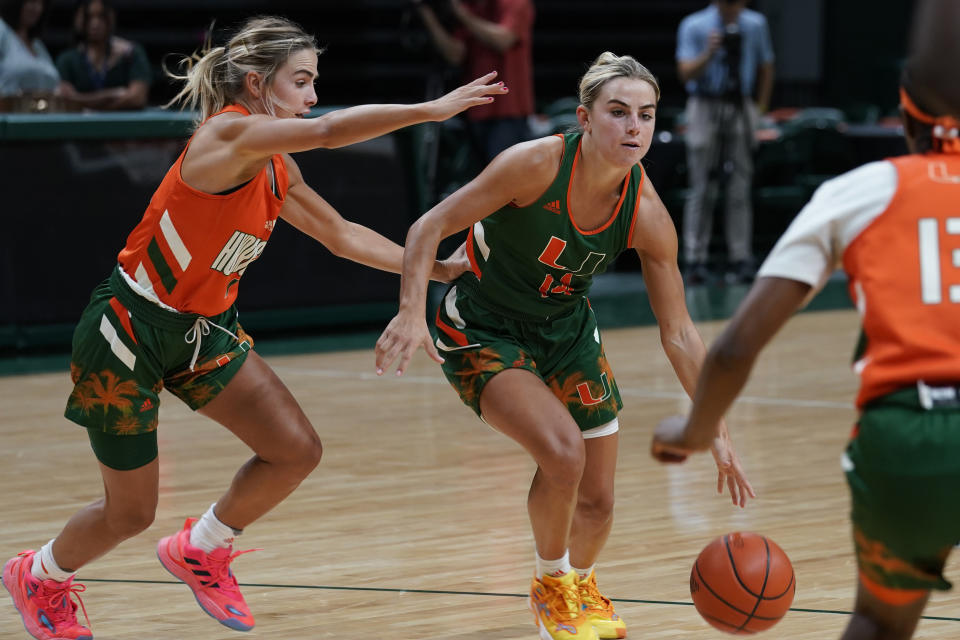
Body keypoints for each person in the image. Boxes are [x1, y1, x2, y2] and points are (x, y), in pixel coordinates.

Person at [0, 15, 506, 640]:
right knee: (130, 512)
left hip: (201, 331)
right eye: (301, 81)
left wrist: (439, 268)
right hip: (128, 330)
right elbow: (325, 130)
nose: (312, 96)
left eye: (314, 82)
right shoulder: (228, 137)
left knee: (295, 450)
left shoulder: (275, 166)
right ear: (255, 83)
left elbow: (340, 234)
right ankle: (39, 573)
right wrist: (431, 109)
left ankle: (202, 547)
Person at [375, 51, 754, 640]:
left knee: (599, 500)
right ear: (584, 117)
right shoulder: (532, 165)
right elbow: (428, 227)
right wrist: (409, 313)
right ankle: (549, 584)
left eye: (647, 115)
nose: (634, 127)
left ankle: (579, 582)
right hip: (483, 322)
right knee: (562, 454)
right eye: (619, 112)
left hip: (565, 330)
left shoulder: (647, 213)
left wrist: (718, 429)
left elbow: (679, 332)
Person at [652, 1, 960, 637]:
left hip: (910, 435)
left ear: (902, 120)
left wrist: (693, 429)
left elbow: (736, 348)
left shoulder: (860, 191)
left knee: (878, 623)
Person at [676, 0, 774, 285]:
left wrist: (761, 109)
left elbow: (766, 65)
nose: (731, 6)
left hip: (741, 104)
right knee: (700, 185)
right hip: (704, 104)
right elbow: (685, 73)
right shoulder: (694, 25)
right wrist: (710, 52)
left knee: (740, 184)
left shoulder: (755, 24)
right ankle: (696, 257)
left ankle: (740, 256)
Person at [413, 0, 534, 162]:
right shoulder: (471, 6)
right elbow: (455, 54)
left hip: (507, 110)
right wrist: (426, 13)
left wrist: (462, 13)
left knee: (504, 177)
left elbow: (503, 40)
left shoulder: (513, 3)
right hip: (474, 110)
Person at [55, 0, 151, 110]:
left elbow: (137, 98)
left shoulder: (130, 53)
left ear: (112, 16)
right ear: (78, 18)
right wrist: (114, 94)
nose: (95, 23)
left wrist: (80, 100)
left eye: (101, 16)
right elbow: (65, 100)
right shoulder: (67, 59)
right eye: (89, 16)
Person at [0, 0, 61, 98]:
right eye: (31, 1)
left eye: (40, 3)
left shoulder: (37, 44)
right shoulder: (2, 30)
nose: (37, 8)